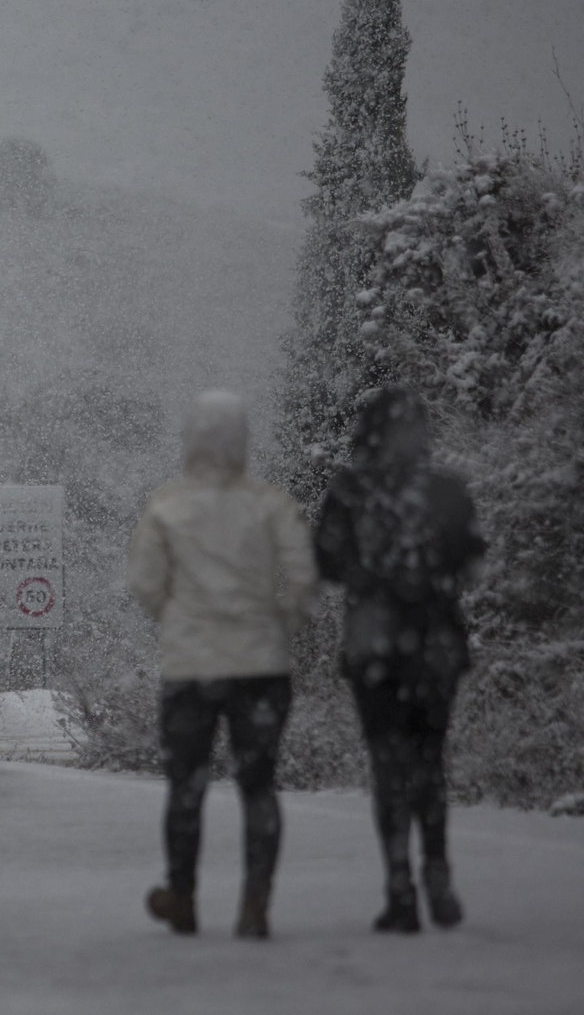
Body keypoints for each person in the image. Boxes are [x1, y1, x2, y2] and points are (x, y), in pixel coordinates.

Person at [128, 391, 317, 938]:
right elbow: (303, 575)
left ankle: (182, 895)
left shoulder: (167, 506)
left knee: (185, 784)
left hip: (191, 668)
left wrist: (176, 617)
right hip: (261, 664)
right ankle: (255, 903)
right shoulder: (269, 504)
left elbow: (143, 583)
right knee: (259, 786)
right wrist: (285, 622)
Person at [314, 386, 484, 933]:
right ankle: (437, 870)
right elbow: (472, 566)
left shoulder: (347, 491)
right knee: (429, 759)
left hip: (375, 644)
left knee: (388, 764)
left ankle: (399, 886)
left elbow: (327, 564)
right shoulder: (448, 490)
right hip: (435, 643)